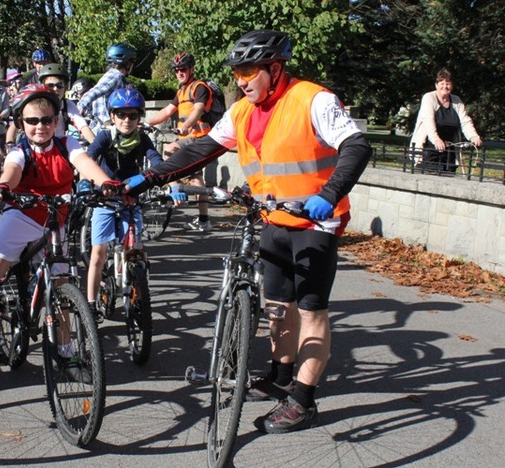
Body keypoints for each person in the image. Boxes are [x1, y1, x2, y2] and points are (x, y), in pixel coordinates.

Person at [126, 30, 372, 434]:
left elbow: (357, 146)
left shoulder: (313, 99)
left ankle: (304, 401)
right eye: (237, 72)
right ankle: (280, 376)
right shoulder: (241, 111)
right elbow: (203, 148)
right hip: (272, 219)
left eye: (248, 71)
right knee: (277, 307)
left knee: (311, 312)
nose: (240, 80)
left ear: (274, 69)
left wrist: (329, 194)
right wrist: (148, 178)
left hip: (313, 223)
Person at [0, 85, 117, 355]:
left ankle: (66, 350)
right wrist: (3, 186)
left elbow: (83, 162)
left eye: (47, 120)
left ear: (57, 120)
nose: (40, 126)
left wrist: (105, 181)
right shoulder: (20, 151)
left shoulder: (66, 144)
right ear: (21, 123)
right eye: (32, 121)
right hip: (22, 214)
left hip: (55, 219)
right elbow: (12, 171)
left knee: (61, 286)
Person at [85, 87, 163, 319]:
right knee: (98, 253)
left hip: (131, 198)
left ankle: (140, 289)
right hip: (106, 199)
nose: (126, 120)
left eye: (132, 115)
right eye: (121, 114)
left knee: (136, 249)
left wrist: (171, 184)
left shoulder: (143, 138)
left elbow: (157, 163)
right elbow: (88, 159)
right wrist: (90, 184)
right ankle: (90, 303)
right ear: (112, 116)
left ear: (140, 117)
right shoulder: (105, 136)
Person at [147, 52, 215, 231]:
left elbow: (198, 110)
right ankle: (203, 221)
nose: (179, 73)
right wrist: (146, 123)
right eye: (176, 70)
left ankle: (175, 188)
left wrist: (186, 125)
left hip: (199, 138)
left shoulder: (199, 87)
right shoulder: (182, 90)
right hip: (190, 139)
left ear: (191, 68)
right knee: (196, 179)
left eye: (183, 69)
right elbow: (167, 111)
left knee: (169, 149)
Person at [410, 68, 483, 173]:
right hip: (430, 148)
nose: (445, 86)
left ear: (452, 85)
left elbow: (465, 121)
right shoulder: (429, 98)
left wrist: (474, 137)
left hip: (449, 148)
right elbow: (428, 121)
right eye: (442, 83)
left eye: (448, 83)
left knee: (449, 176)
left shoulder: (456, 101)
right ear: (436, 85)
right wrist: (436, 139)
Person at [5, 63, 95, 145]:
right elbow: (15, 126)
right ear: (42, 85)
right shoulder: (33, 103)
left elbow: (83, 127)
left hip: (56, 149)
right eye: (50, 85)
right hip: (33, 148)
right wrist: (9, 144)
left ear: (66, 87)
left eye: (59, 85)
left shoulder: (67, 105)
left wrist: (97, 146)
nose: (55, 89)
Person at [77, 42, 136, 133]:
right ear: (127, 63)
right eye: (132, 62)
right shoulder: (116, 76)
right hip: (106, 129)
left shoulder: (111, 75)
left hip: (101, 127)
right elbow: (95, 92)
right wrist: (81, 107)